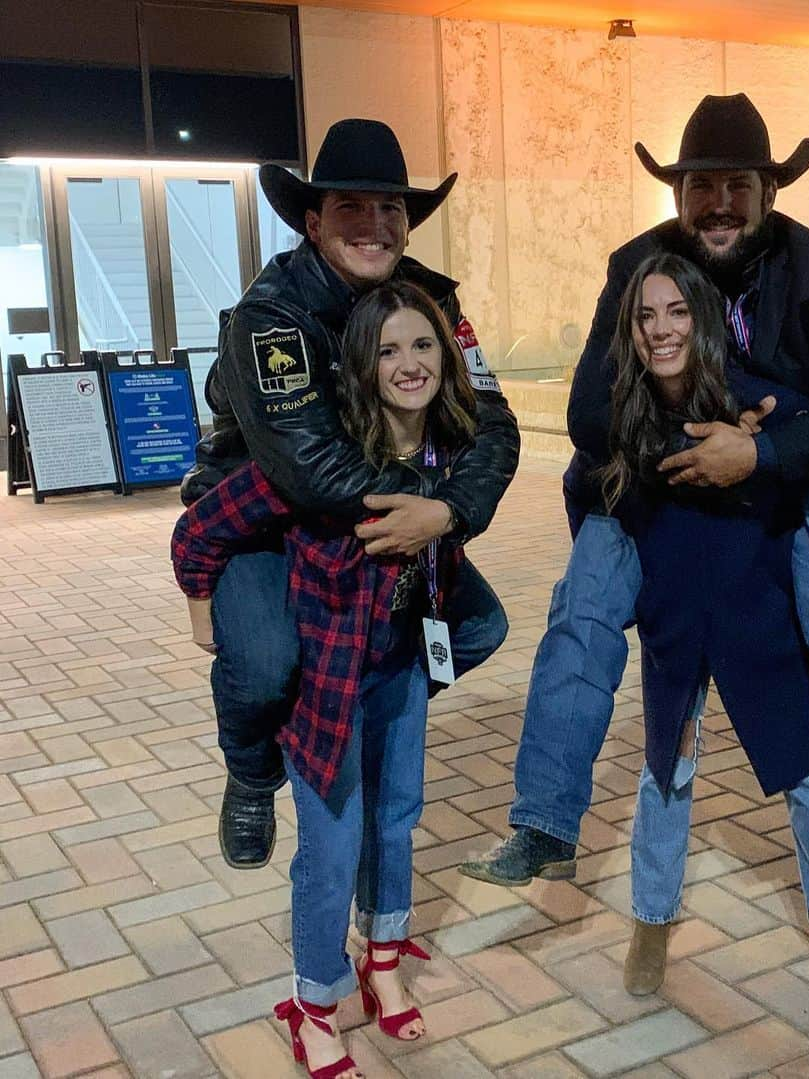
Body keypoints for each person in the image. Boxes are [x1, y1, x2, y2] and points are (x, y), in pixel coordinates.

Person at [461, 93, 809, 927]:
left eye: (737, 184)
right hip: (659, 478)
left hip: (797, 482)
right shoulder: (635, 265)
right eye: (701, 184)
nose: (718, 203)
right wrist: (692, 439)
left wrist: (761, 449)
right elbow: (588, 416)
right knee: (583, 605)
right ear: (677, 195)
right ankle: (543, 822)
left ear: (769, 191)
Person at [174, 281, 497, 1079]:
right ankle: (314, 1001)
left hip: (399, 661)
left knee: (399, 817)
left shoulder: (450, 451)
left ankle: (382, 958)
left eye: (423, 345)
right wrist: (200, 610)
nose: (410, 362)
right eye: (388, 350)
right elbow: (200, 529)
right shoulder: (317, 462)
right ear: (360, 366)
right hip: (326, 685)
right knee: (332, 843)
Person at [179, 119, 519, 869]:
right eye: (351, 209)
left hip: (387, 518)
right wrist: (429, 501)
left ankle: (343, 711)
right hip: (264, 519)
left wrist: (451, 511)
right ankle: (252, 764)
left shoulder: (433, 301)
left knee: (481, 627)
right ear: (312, 220)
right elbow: (309, 467)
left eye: (390, 209)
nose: (374, 226)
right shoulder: (271, 316)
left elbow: (494, 424)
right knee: (268, 665)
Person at [604, 253, 809, 1006]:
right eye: (645, 315)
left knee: (805, 778)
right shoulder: (625, 417)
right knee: (665, 773)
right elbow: (587, 499)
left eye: (677, 312)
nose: (661, 329)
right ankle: (650, 922)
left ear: (703, 317)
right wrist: (636, 596)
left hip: (761, 623)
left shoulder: (754, 403)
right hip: (675, 631)